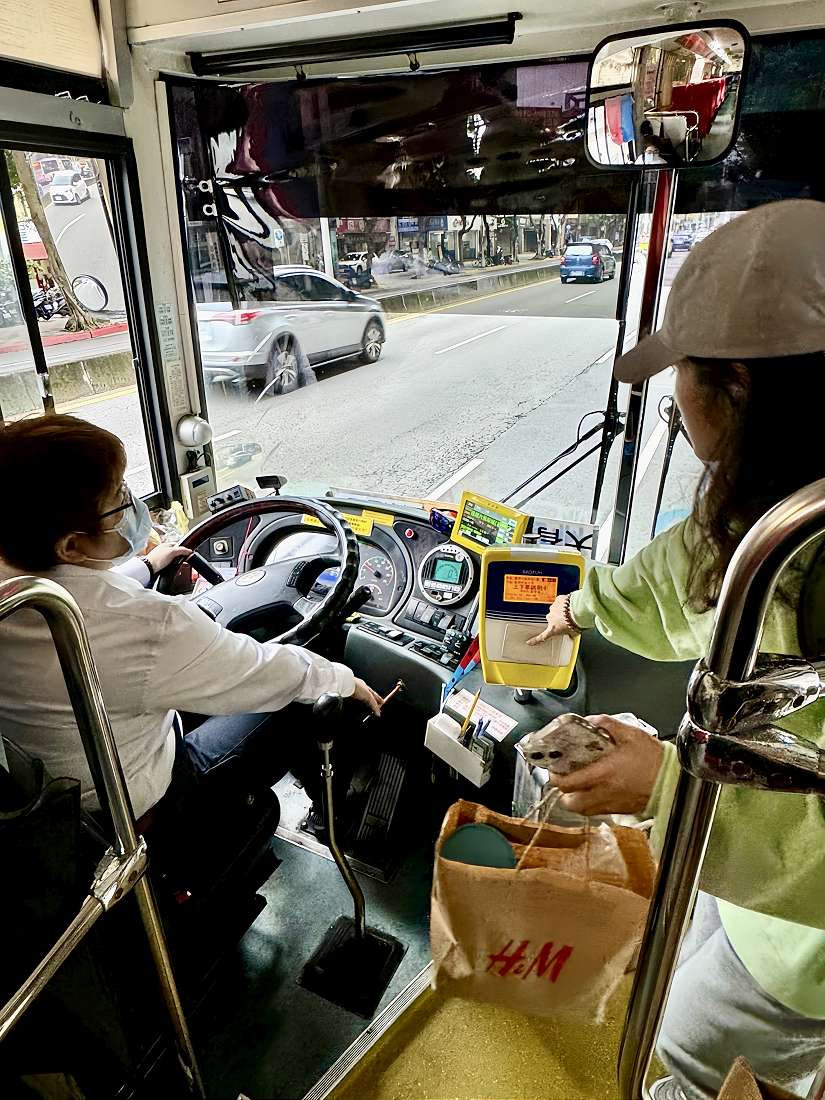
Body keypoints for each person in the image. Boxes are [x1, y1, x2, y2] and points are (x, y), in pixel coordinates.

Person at [527, 200, 825, 1100]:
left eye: (680, 381)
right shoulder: (749, 516)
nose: (673, 406)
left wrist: (666, 785)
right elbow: (663, 585)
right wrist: (575, 609)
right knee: (671, 991)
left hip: (804, 947)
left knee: (686, 1067)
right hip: (734, 877)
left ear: (731, 386)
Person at [0, 415, 381, 855]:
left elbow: (79, 591)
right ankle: (340, 823)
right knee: (303, 698)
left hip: (71, 812)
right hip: (140, 811)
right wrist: (345, 681)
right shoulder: (147, 625)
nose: (131, 504)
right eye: (118, 498)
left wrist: (145, 566)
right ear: (70, 546)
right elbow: (269, 673)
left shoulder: (20, 582)